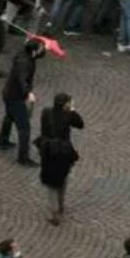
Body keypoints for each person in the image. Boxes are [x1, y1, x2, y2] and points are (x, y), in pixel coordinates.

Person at [35, 92, 84, 226]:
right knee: (62, 178)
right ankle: (60, 206)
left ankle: (54, 211)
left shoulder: (46, 112)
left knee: (51, 182)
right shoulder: (68, 115)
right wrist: (72, 111)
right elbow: (80, 124)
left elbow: (43, 129)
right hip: (64, 152)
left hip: (48, 150)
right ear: (65, 105)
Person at [0, 37, 44, 166]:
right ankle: (23, 158)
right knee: (24, 128)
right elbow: (22, 79)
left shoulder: (24, 54)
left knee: (9, 117)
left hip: (9, 93)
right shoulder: (25, 62)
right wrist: (28, 93)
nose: (42, 51)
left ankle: (2, 140)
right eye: (40, 49)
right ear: (34, 51)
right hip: (15, 97)